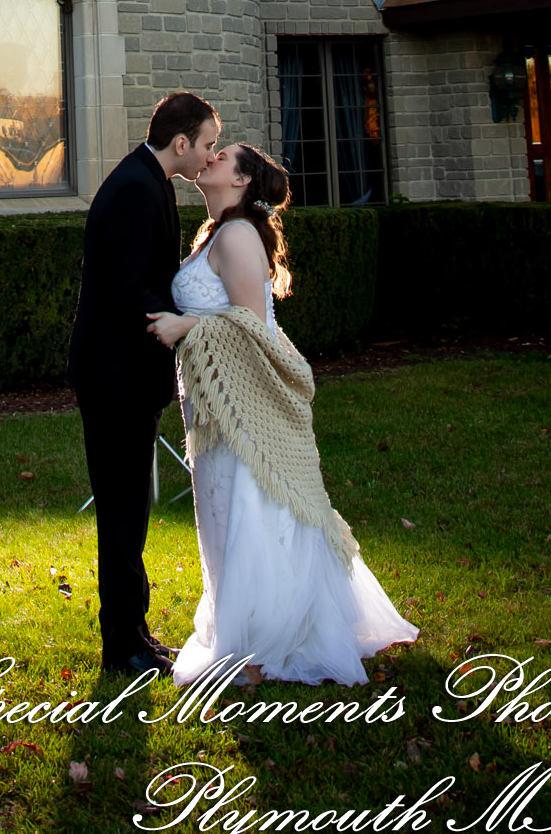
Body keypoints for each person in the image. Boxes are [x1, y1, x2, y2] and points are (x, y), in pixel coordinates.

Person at [147, 142, 417, 686]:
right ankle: (241, 628)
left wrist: (185, 326)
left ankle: (267, 639)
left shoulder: (238, 235)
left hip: (246, 403)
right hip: (217, 401)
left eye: (222, 155)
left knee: (252, 511)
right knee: (223, 512)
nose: (210, 158)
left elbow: (250, 325)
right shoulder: (215, 233)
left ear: (242, 180)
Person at [67, 90, 221, 676]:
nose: (210, 156)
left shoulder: (148, 180)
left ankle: (135, 633)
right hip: (115, 378)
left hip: (125, 376)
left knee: (130, 510)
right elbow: (131, 290)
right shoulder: (135, 188)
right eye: (206, 145)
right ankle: (122, 647)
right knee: (122, 513)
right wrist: (186, 325)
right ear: (180, 143)